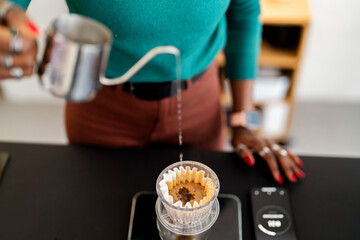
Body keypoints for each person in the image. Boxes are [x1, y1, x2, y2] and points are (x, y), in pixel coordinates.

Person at [0, 0, 305, 184]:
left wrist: (242, 121)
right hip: (101, 108)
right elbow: (9, 9)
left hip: (199, 105)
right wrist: (7, 22)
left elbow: (243, 15)